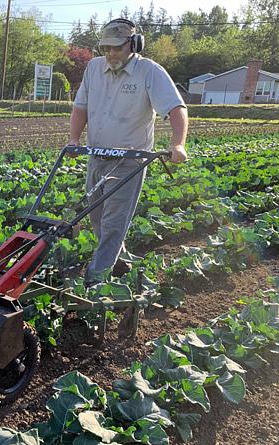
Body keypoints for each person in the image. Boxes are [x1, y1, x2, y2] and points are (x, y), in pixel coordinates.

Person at [67, 18, 189, 284]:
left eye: (117, 48)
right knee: (97, 218)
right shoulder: (94, 68)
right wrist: (74, 140)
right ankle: (121, 262)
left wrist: (178, 144)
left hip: (129, 161)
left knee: (113, 223)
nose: (111, 54)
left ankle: (95, 280)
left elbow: (175, 108)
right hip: (96, 156)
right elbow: (80, 107)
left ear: (134, 45)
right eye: (106, 48)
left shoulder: (149, 71)